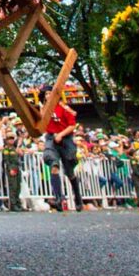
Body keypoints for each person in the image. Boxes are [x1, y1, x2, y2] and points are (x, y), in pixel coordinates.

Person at [39, 84, 84, 212]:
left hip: (66, 138)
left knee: (69, 170)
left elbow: (72, 125)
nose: (48, 96)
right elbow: (42, 122)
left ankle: (78, 197)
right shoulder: (44, 109)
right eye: (46, 94)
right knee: (53, 164)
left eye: (50, 93)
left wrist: (61, 134)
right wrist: (41, 108)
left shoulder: (64, 107)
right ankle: (58, 198)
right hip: (51, 138)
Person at [2, 133, 24, 211]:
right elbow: (6, 160)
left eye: (12, 139)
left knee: (18, 186)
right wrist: (10, 169)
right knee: (13, 187)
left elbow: (21, 154)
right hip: (12, 167)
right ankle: (13, 204)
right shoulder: (6, 149)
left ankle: (18, 203)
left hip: (17, 167)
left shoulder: (15, 148)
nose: (11, 140)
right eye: (9, 139)